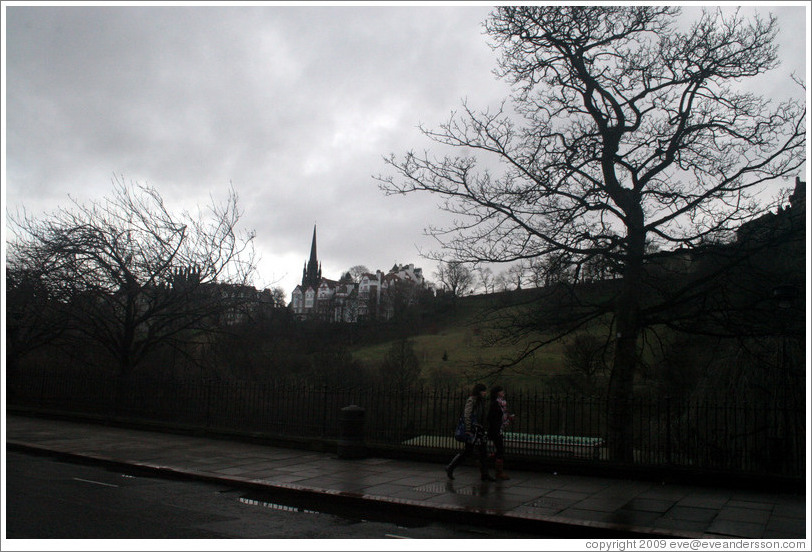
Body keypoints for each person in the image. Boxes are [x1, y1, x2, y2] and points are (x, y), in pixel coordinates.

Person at [445, 383, 495, 481]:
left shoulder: (480, 401)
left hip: (478, 430)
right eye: (483, 391)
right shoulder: (472, 400)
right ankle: (450, 467)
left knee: (482, 452)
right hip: (473, 430)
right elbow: (467, 415)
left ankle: (485, 474)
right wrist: (468, 429)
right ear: (479, 391)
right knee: (468, 452)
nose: (485, 393)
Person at [486, 385, 515, 480]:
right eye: (501, 391)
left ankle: (485, 462)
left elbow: (501, 416)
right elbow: (492, 418)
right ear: (497, 393)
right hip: (496, 430)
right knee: (500, 450)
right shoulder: (495, 404)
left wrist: (508, 418)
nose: (503, 392)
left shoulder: (501, 404)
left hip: (498, 429)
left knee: (500, 450)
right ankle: (498, 471)